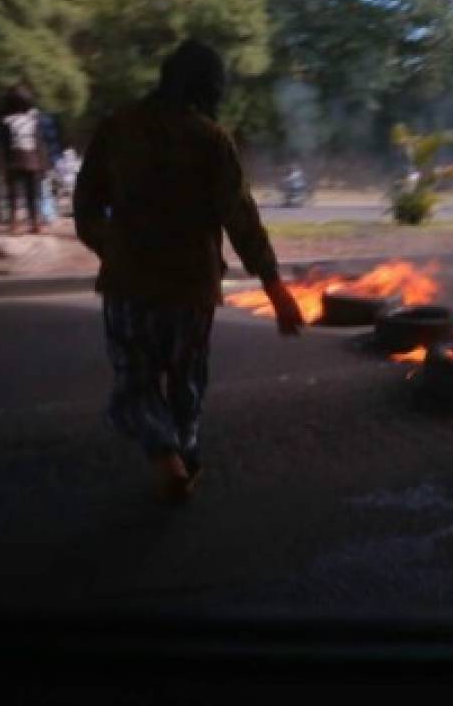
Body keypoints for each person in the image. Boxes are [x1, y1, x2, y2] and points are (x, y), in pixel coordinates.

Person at [74, 39, 305, 503]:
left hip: (129, 285)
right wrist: (275, 287)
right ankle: (185, 452)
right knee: (187, 379)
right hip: (190, 289)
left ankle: (163, 454)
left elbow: (85, 206)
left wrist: (113, 248)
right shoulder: (210, 138)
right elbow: (240, 217)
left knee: (134, 379)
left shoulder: (117, 128)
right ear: (208, 87)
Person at [0, 83, 47, 234]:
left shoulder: (31, 117)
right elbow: (40, 142)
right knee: (25, 194)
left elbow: (39, 142)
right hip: (25, 161)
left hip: (21, 161)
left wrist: (43, 162)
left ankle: (25, 223)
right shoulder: (6, 119)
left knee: (22, 194)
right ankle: (23, 223)